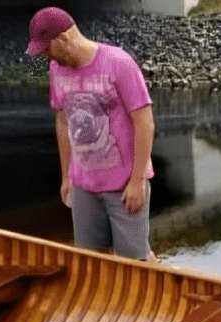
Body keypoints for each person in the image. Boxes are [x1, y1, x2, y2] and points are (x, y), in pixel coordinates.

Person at [26, 6, 157, 261]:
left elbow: (144, 123)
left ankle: (165, 292)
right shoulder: (56, 70)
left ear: (63, 39)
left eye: (47, 49)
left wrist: (137, 181)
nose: (47, 58)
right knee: (91, 261)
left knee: (134, 260)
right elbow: (63, 122)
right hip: (84, 185)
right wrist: (67, 177)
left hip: (124, 184)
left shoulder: (118, 63)